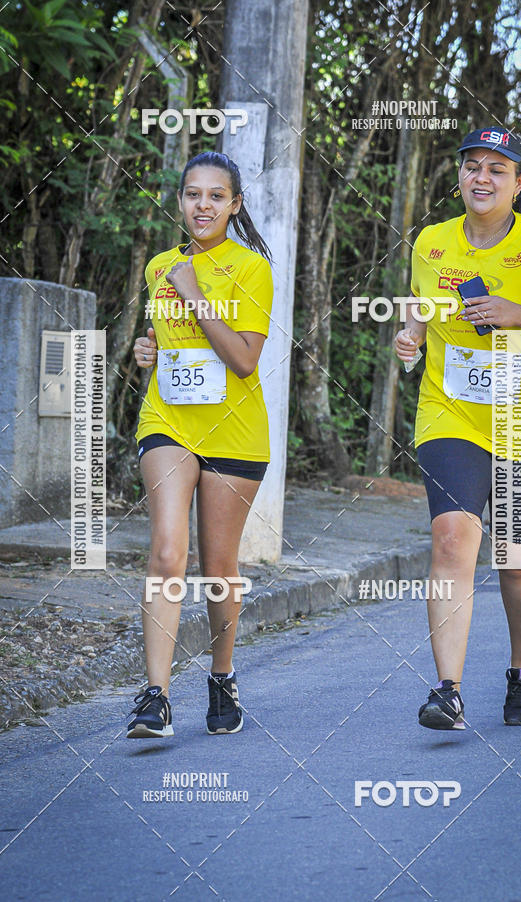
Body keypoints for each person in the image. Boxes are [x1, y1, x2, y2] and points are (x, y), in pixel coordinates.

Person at [394, 128, 521, 730]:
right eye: (473, 166)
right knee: (454, 539)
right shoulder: (431, 242)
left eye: (497, 169)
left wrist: (518, 316)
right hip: (449, 411)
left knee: (514, 558)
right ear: (459, 176)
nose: (482, 178)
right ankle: (447, 690)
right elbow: (420, 305)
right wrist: (412, 335)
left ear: (519, 182)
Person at [126, 151, 273, 738]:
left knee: (217, 567)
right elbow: (171, 342)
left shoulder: (252, 267)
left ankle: (221, 674)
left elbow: (241, 359)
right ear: (180, 200)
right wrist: (149, 352)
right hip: (168, 421)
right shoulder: (160, 265)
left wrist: (193, 294)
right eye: (193, 194)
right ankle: (155, 696)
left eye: (216, 196)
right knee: (167, 552)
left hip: (235, 428)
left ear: (234, 205)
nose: (202, 206)